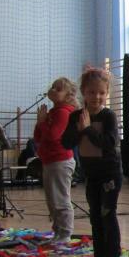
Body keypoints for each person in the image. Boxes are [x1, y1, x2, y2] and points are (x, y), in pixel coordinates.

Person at [63, 67, 122, 257]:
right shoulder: (76, 116)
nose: (97, 97)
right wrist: (79, 130)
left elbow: (109, 143)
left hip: (109, 174)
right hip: (92, 176)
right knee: (95, 217)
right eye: (91, 92)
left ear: (107, 93)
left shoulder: (108, 116)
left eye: (101, 93)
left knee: (107, 214)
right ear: (83, 92)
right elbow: (66, 143)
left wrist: (88, 129)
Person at [34, 77, 78, 244]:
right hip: (49, 161)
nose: (53, 90)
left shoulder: (63, 112)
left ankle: (65, 233)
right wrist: (40, 122)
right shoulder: (53, 112)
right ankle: (58, 232)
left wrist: (43, 123)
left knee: (60, 199)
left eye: (58, 89)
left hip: (60, 161)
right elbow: (38, 137)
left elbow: (53, 135)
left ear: (68, 95)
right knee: (52, 200)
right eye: (52, 87)